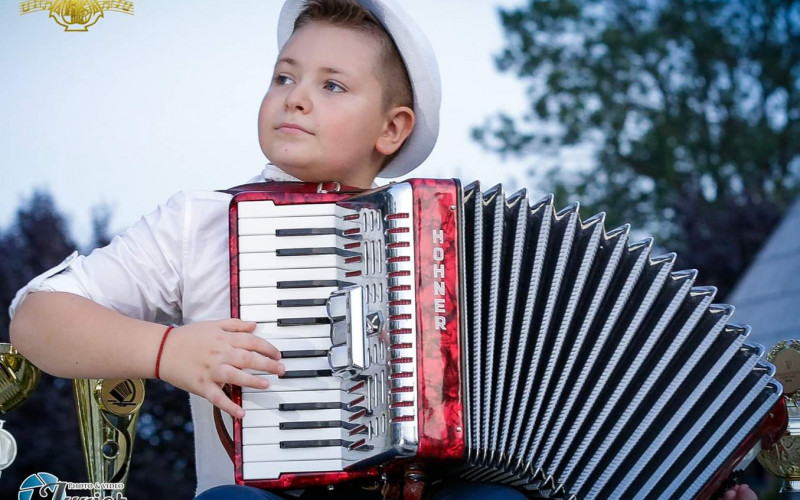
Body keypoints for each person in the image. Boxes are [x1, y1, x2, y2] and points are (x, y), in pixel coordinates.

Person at [7, 0, 760, 499]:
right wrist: (169, 350)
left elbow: (597, 388)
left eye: (333, 85)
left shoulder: (463, 242)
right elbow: (36, 318)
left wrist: (690, 476)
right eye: (284, 76)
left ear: (392, 129)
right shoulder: (197, 223)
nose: (295, 96)